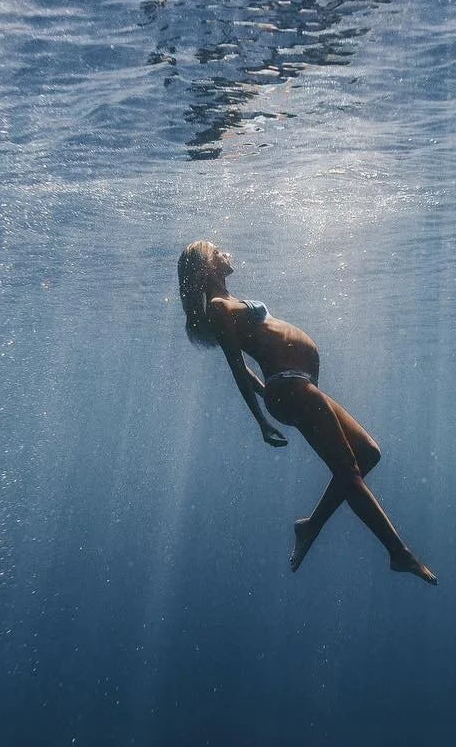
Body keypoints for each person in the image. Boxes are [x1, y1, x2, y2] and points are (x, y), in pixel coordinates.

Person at [177, 240, 436, 584]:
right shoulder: (218, 307)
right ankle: (398, 552)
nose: (225, 252)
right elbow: (237, 367)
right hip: (289, 388)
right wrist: (261, 421)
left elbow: (250, 371)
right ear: (206, 267)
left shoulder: (230, 302)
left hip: (297, 385)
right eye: (217, 251)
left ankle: (311, 525)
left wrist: (264, 395)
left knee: (368, 454)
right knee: (348, 469)